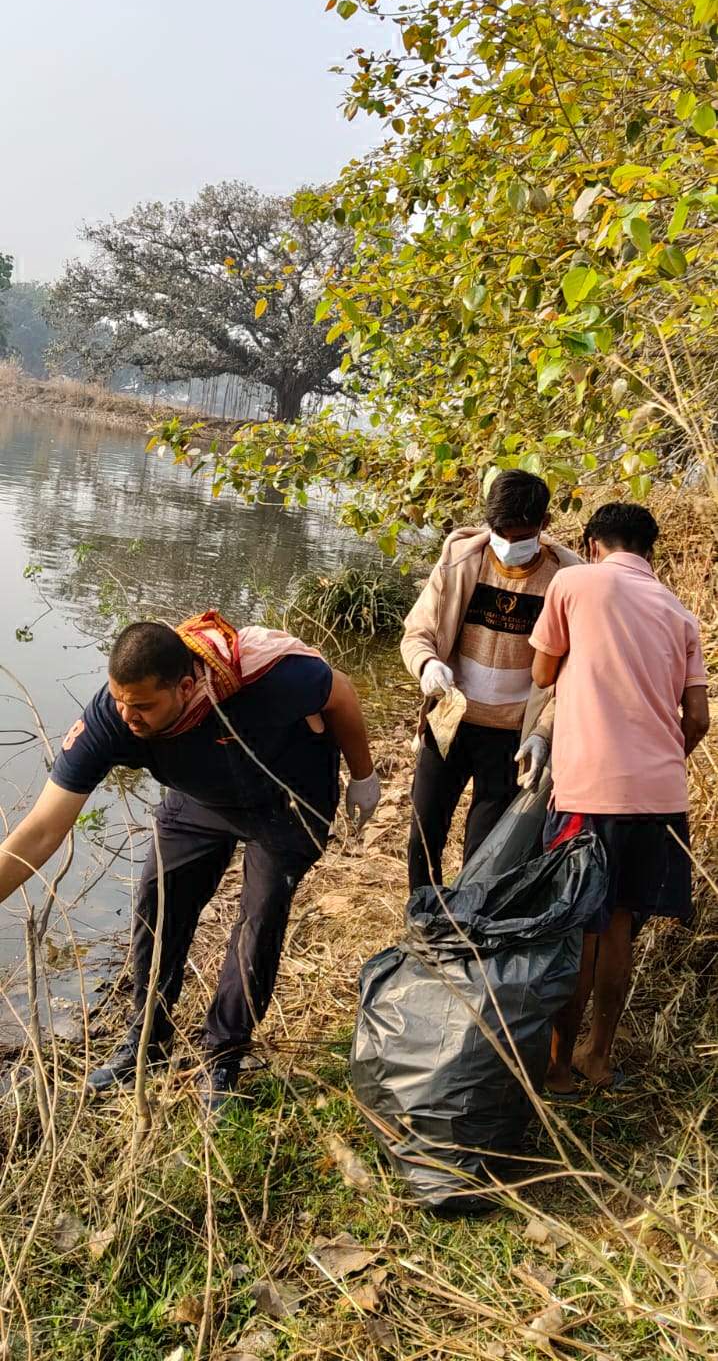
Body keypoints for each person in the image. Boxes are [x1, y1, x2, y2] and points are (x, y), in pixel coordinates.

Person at [0, 611, 381, 1113]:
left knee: (259, 919)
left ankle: (223, 1056)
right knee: (157, 902)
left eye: (143, 706)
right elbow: (43, 829)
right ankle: (146, 1042)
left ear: (185, 688)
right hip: (201, 797)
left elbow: (340, 692)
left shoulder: (267, 683)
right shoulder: (112, 718)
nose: (128, 717)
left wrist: (363, 776)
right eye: (119, 700)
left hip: (286, 798)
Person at [530, 502, 710, 1095]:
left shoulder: (573, 583)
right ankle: (598, 1056)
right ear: (650, 550)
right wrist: (660, 757)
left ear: (591, 543)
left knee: (580, 927)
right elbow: (698, 718)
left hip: (590, 790)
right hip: (659, 795)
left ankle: (558, 1067)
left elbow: (541, 673)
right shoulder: (681, 614)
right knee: (620, 927)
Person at [401, 470, 581, 891]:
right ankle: (421, 912)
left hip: (511, 734)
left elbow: (570, 674)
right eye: (501, 533)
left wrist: (543, 732)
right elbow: (416, 633)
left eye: (522, 536)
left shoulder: (566, 578)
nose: (509, 544)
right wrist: (427, 666)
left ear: (545, 524)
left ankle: (466, 920)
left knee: (484, 850)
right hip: (450, 720)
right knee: (423, 835)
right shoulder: (461, 560)